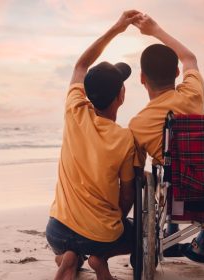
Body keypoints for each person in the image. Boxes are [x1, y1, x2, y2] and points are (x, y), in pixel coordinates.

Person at [46, 10, 141, 280]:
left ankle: (69, 258)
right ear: (120, 97)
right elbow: (127, 194)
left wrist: (116, 28)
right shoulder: (124, 139)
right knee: (136, 234)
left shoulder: (74, 111)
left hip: (57, 230)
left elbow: (81, 64)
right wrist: (116, 222)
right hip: (100, 237)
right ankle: (100, 259)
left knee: (69, 243)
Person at [128, 14, 204, 263]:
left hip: (178, 192)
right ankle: (202, 241)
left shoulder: (138, 124)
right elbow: (190, 58)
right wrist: (155, 30)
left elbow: (135, 173)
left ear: (142, 78)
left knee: (161, 167)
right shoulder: (192, 94)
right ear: (177, 72)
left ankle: (170, 230)